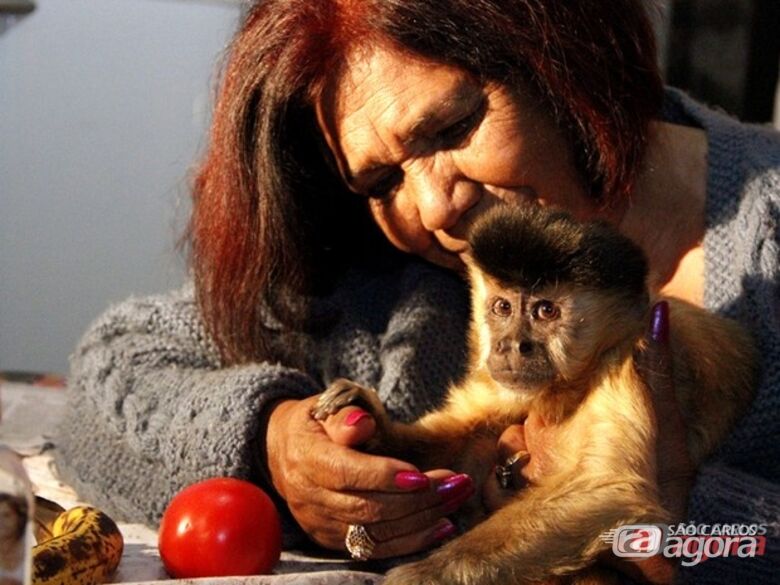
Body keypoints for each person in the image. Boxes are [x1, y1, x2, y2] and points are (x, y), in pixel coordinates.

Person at [54, 0, 779, 583]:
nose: (434, 208)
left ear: (559, 58)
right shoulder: (384, 270)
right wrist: (269, 439)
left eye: (451, 127)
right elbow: (112, 372)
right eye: (383, 181)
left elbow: (644, 509)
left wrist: (695, 520)